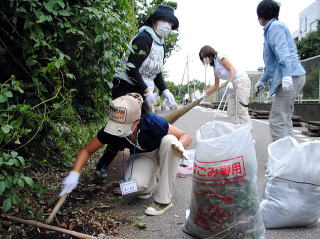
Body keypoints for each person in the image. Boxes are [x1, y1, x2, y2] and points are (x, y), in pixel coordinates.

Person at [59, 93, 192, 216]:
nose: (117, 130)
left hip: (162, 151)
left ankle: (163, 200)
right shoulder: (110, 131)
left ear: (137, 121)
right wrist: (74, 173)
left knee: (170, 141)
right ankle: (151, 183)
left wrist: (180, 146)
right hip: (142, 156)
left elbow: (186, 136)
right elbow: (87, 150)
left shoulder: (152, 122)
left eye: (122, 126)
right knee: (132, 187)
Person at [96, 5, 179, 178]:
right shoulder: (144, 38)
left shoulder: (160, 45)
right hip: (126, 86)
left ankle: (136, 165)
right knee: (123, 125)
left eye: (171, 24)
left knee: (141, 127)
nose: (168, 26)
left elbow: (156, 72)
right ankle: (102, 165)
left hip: (143, 90)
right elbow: (131, 69)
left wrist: (165, 91)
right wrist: (147, 90)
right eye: (166, 21)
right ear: (155, 20)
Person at [255, 0, 306, 141]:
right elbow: (272, 62)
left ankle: (282, 159)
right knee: (284, 119)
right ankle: (289, 156)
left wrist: (287, 75)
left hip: (291, 76)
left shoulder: (275, 28)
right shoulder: (272, 29)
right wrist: (262, 79)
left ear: (260, 16)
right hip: (292, 75)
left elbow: (283, 53)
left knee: (277, 119)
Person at [199, 45, 251, 124]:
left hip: (241, 81)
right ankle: (236, 130)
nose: (204, 60)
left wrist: (230, 81)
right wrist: (204, 94)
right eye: (203, 59)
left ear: (208, 53)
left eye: (204, 57)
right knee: (231, 111)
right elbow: (216, 85)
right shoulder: (215, 67)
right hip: (233, 85)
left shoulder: (220, 56)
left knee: (241, 110)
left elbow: (232, 68)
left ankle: (247, 133)